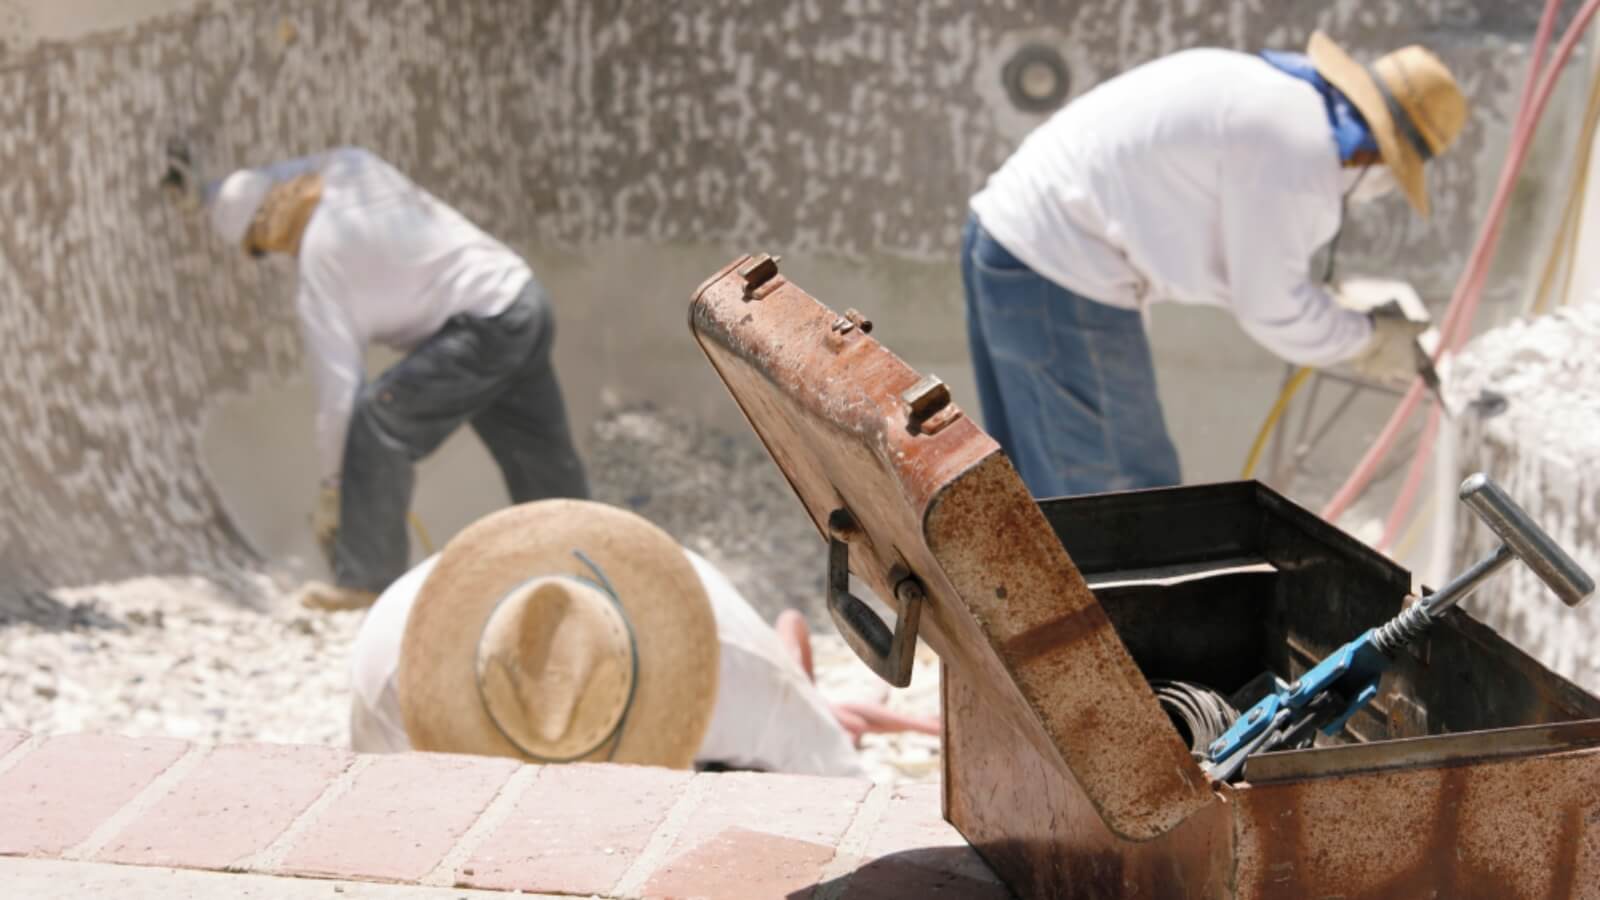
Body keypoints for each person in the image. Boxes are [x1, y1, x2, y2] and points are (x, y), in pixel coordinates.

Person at [962, 32, 1467, 498]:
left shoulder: (1273, 95)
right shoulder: (1302, 148)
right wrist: (1369, 339)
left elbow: (1248, 262)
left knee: (1038, 496)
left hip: (1005, 241)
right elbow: (1273, 308)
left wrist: (1341, 318)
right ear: (1379, 154)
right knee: (1126, 498)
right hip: (1058, 266)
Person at [204, 147, 588, 610]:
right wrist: (209, 192)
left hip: (483, 331)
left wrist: (334, 488)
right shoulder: (351, 168)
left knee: (377, 420)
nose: (275, 255)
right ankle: (587, 562)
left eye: (261, 250)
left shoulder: (321, 266)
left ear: (266, 232)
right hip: (521, 300)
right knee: (537, 454)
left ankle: (368, 579)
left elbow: (338, 396)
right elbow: (281, 175)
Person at [348, 499, 937, 775]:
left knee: (796, 725)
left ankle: (809, 680)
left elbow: (837, 795)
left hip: (744, 702)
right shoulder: (392, 680)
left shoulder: (729, 670)